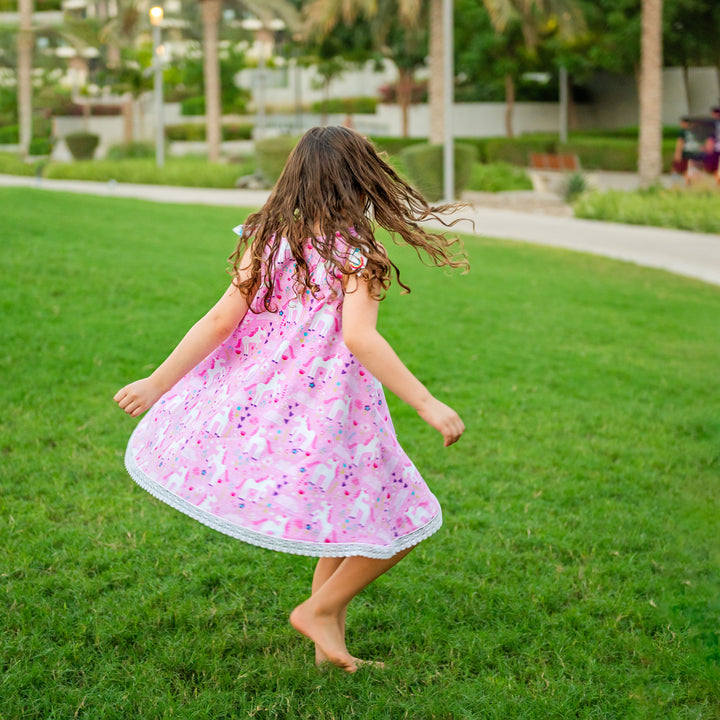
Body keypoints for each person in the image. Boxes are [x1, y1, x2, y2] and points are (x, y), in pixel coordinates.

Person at [114, 126, 467, 673]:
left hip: (283, 405)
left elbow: (219, 319)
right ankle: (319, 609)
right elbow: (360, 338)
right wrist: (427, 403)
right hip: (330, 409)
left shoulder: (268, 236)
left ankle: (331, 645)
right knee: (403, 519)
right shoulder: (359, 253)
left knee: (341, 516)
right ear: (364, 181)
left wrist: (157, 383)